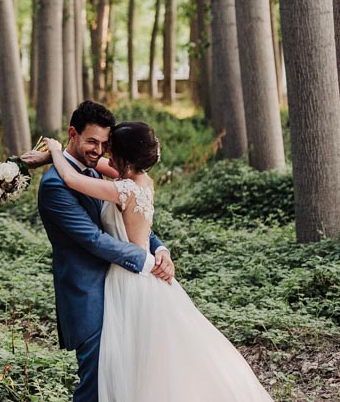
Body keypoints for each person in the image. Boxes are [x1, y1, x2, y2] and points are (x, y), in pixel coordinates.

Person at [41, 120, 272, 400]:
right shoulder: (141, 182)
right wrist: (160, 250)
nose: (104, 154)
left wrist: (53, 151)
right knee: (145, 361)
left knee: (135, 362)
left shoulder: (122, 189)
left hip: (129, 279)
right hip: (140, 278)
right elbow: (94, 170)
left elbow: (73, 179)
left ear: (123, 156)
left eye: (109, 149)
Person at [21, 101, 173, 402]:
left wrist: (159, 249)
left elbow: (127, 220)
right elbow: (93, 239)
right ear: (72, 134)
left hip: (122, 290)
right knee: (95, 385)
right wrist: (144, 260)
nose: (99, 150)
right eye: (92, 141)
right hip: (88, 295)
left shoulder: (98, 170)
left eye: (105, 144)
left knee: (127, 379)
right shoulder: (55, 186)